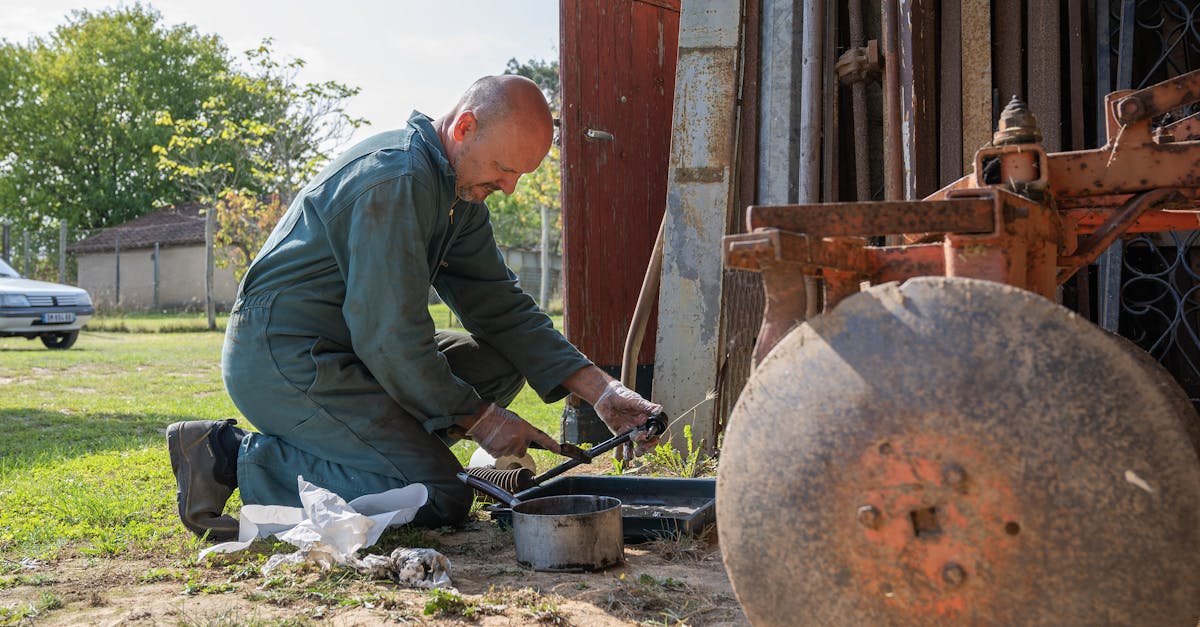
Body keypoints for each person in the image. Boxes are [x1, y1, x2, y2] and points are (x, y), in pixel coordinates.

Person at [166, 75, 661, 541]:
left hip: (351, 350)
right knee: (438, 495)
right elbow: (390, 338)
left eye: (519, 176)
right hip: (283, 358)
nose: (509, 188)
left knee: (502, 359)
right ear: (464, 127)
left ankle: (394, 459)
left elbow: (503, 309)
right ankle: (227, 457)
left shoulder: (458, 194)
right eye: (504, 170)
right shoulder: (395, 179)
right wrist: (484, 421)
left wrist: (604, 391)